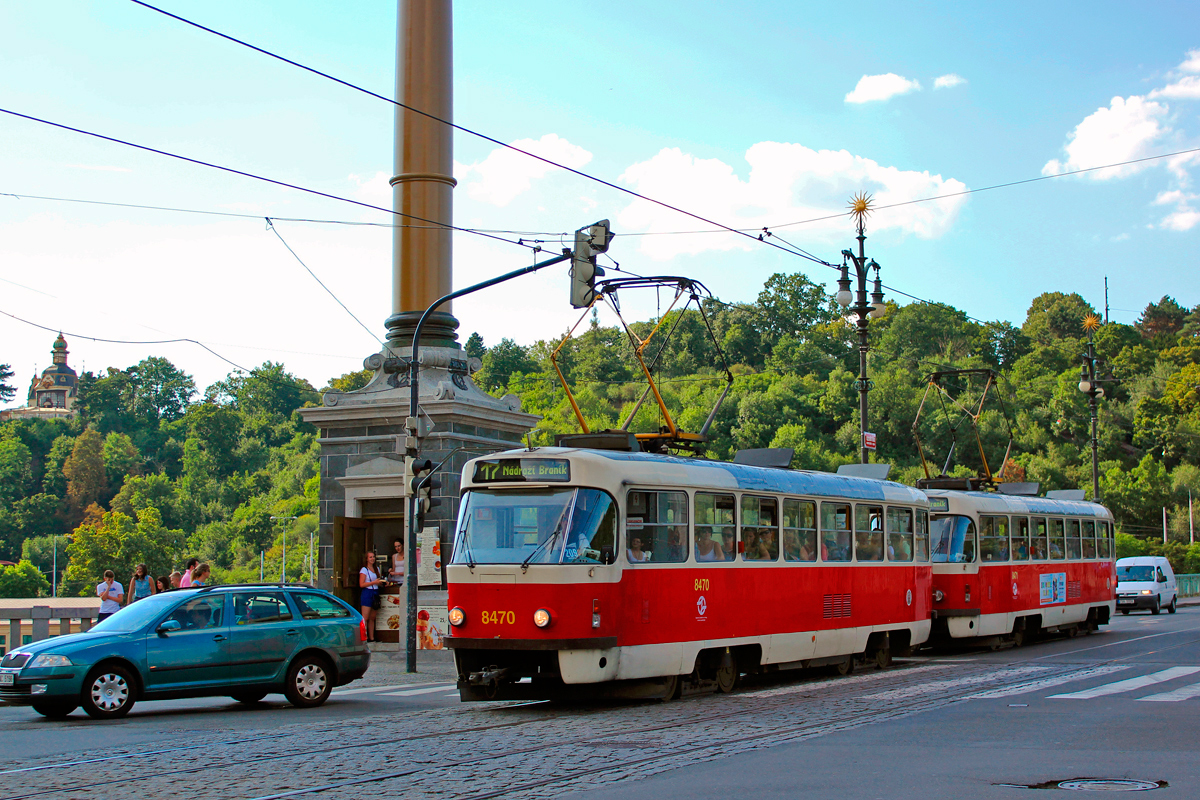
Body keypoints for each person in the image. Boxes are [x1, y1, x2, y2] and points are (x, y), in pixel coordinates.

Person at [359, 552, 384, 642]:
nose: (372, 559)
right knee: (365, 618)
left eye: (373, 557)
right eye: (370, 557)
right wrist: (374, 582)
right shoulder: (364, 570)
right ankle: (364, 638)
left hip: (375, 592)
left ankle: (372, 638)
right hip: (367, 592)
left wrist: (382, 582)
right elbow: (361, 584)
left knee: (372, 617)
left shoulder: (376, 569)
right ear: (366, 559)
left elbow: (378, 581)